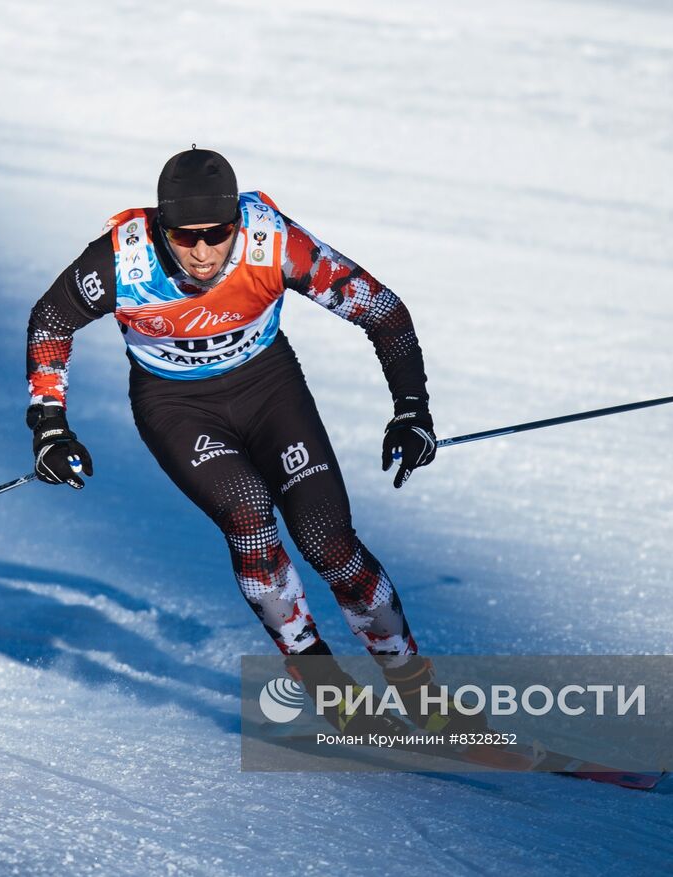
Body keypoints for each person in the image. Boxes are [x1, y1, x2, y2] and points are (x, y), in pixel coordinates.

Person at [24, 147, 450, 731]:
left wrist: (412, 410)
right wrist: (49, 425)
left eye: (216, 234)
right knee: (249, 513)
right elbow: (52, 320)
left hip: (268, 388)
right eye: (184, 236)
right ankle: (325, 685)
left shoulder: (273, 243)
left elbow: (381, 311)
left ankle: (417, 691)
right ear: (161, 225)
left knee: (328, 540)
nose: (201, 251)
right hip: (176, 406)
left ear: (236, 223)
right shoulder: (122, 259)